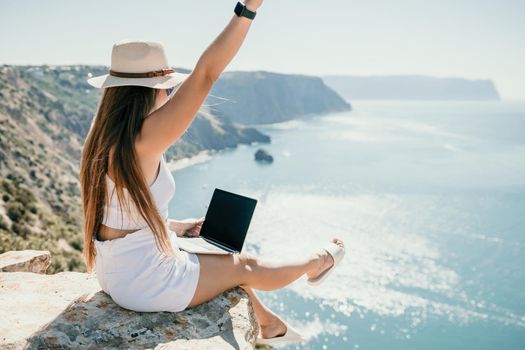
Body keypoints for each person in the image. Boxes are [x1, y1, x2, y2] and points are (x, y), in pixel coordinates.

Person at [79, 1, 345, 346]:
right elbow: (206, 73)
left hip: (116, 272)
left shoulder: (102, 139)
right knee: (244, 265)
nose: (170, 95)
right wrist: (247, 9)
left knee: (218, 263)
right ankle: (318, 262)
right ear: (153, 89)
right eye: (169, 88)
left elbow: (117, 213)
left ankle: (268, 325)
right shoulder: (143, 141)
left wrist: (175, 227)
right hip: (144, 281)